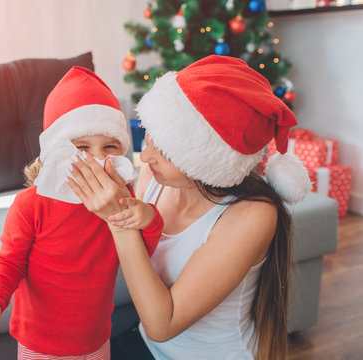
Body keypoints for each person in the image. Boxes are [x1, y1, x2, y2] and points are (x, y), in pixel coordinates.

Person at [67, 55, 312, 360]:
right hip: (148, 344)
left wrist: (119, 220)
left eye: (167, 149)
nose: (146, 156)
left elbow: (163, 324)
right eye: (149, 134)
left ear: (206, 158)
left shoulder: (253, 213)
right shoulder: (155, 177)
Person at [0, 66, 164, 359]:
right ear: (54, 152)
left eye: (109, 146)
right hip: (39, 342)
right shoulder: (31, 204)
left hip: (96, 338)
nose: (97, 159)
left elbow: (141, 251)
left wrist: (148, 217)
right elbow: (9, 260)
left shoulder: (121, 199)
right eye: (82, 147)